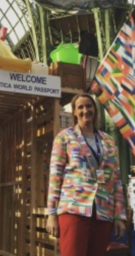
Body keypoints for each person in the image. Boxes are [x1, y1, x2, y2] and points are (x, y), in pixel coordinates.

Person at [46, 93, 126, 256]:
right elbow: (55, 177)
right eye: (80, 107)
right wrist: (52, 213)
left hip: (103, 211)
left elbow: (116, 180)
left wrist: (119, 216)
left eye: (89, 106)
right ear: (74, 112)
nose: (85, 110)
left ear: (95, 110)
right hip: (74, 210)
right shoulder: (64, 137)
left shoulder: (108, 141)